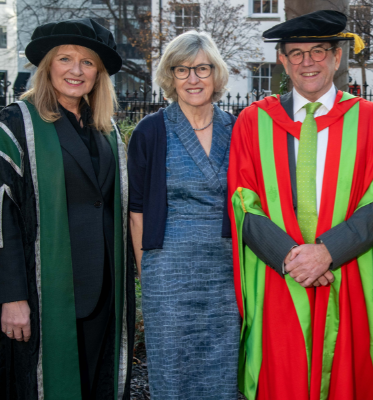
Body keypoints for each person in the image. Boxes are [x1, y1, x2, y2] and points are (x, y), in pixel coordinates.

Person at [227, 10, 373, 400]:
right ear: (283, 61)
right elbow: (243, 202)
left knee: (346, 377)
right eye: (297, 53)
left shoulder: (370, 120)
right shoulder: (253, 122)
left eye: (319, 51)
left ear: (338, 58)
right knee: (282, 379)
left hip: (346, 273)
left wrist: (327, 253)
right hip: (280, 276)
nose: (308, 62)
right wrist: (291, 257)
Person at [0, 18, 134, 400]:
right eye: (65, 59)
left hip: (104, 289)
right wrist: (12, 297)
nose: (76, 70)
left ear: (98, 73)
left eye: (88, 62)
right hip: (45, 291)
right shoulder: (13, 124)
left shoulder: (106, 131)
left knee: (94, 384)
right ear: (47, 66)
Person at [127, 31, 239, 399]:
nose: (193, 79)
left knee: (221, 365)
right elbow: (137, 210)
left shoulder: (238, 129)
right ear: (170, 77)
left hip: (225, 269)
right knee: (172, 368)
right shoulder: (151, 131)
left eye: (202, 69)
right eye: (182, 70)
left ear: (217, 74)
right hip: (167, 269)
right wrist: (150, 274)